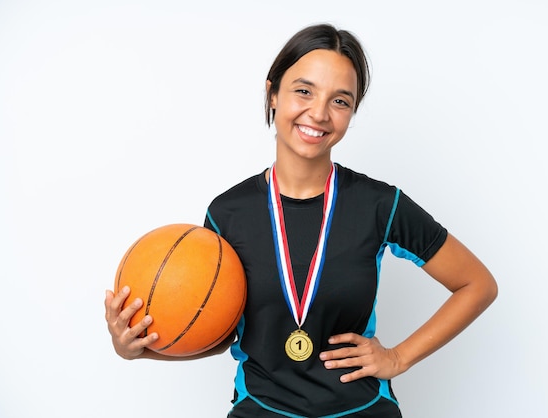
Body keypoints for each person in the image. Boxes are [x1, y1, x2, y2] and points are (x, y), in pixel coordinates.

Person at [105, 23, 498, 417]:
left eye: (340, 101)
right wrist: (137, 349)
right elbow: (213, 328)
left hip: (360, 410)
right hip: (260, 409)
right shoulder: (227, 213)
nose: (319, 113)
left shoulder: (381, 204)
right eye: (304, 91)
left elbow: (476, 284)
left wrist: (398, 357)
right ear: (273, 93)